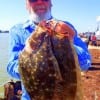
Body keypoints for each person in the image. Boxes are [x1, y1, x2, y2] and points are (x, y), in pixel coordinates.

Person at [7, 0, 91, 99]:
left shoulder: (67, 27)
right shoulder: (17, 30)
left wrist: (70, 40)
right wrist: (32, 65)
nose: (39, 2)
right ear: (26, 5)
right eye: (33, 0)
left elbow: (86, 63)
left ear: (51, 3)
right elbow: (11, 67)